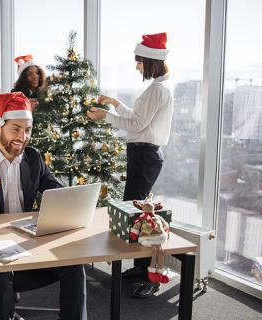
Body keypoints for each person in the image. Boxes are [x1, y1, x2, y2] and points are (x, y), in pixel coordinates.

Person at [0, 92, 87, 320]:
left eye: (28, 130)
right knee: (0, 275)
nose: (23, 136)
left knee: (74, 266)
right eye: (16, 129)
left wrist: (74, 199)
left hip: (28, 246)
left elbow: (56, 190)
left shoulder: (34, 158)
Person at [87, 32, 174, 298]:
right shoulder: (157, 89)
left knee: (139, 214)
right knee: (134, 211)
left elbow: (136, 125)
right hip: (143, 154)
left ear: (150, 61)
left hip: (145, 155)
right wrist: (116, 104)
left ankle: (151, 276)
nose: (137, 66)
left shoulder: (157, 90)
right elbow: (138, 118)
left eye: (139, 61)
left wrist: (107, 116)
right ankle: (140, 268)